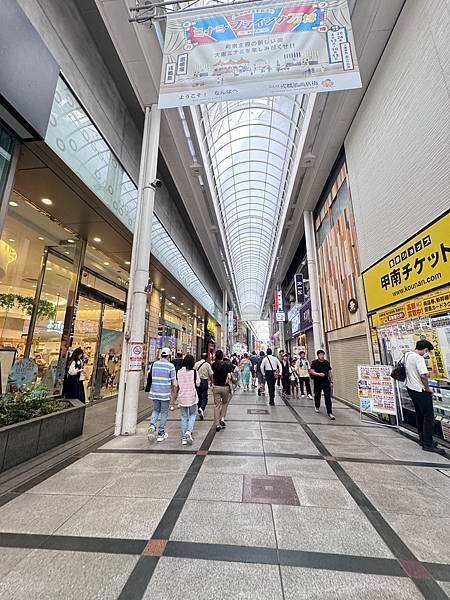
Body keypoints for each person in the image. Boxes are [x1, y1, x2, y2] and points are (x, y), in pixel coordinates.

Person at [405, 340, 445, 455]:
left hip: (410, 388)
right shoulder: (419, 358)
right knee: (429, 417)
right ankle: (428, 444)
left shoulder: (408, 354)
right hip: (420, 390)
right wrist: (428, 389)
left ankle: (422, 439)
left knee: (419, 414)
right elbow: (423, 376)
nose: (427, 354)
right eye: (428, 351)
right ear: (425, 350)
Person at [147, 347, 177, 443]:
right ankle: (161, 433)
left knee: (156, 410)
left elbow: (150, 376)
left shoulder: (154, 364)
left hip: (154, 392)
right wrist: (174, 393)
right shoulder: (170, 366)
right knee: (164, 412)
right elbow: (174, 382)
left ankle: (152, 425)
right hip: (165, 393)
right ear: (168, 356)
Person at [176, 354, 200, 445]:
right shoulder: (194, 372)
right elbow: (198, 383)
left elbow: (177, 383)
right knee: (192, 415)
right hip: (192, 397)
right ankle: (188, 432)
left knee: (184, 417)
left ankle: (184, 438)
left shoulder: (179, 372)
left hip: (182, 396)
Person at [212, 350, 233, 431]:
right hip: (225, 387)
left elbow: (212, 374)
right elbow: (230, 376)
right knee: (224, 404)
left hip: (216, 387)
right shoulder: (227, 365)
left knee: (217, 406)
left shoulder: (213, 365)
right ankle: (222, 419)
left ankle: (217, 424)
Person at [309, 350, 335, 420]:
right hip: (317, 381)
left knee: (327, 397)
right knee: (317, 395)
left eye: (323, 354)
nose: (322, 356)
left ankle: (329, 412)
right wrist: (318, 374)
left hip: (325, 381)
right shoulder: (314, 362)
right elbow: (311, 371)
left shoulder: (326, 362)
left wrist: (331, 381)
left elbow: (329, 372)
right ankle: (317, 406)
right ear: (318, 355)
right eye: (320, 355)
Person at [194, 353, 213, 420]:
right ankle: (201, 408)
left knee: (199, 396)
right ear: (206, 358)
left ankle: (199, 408)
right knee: (204, 397)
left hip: (197, 381)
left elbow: (193, 372)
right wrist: (211, 382)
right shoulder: (207, 365)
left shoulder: (196, 364)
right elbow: (211, 374)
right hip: (204, 381)